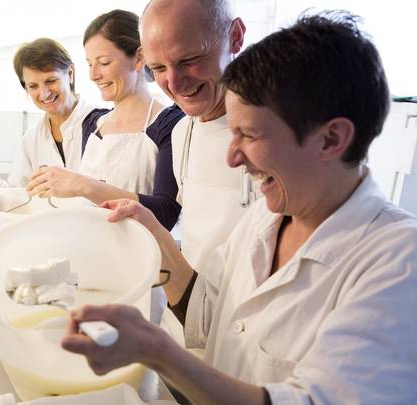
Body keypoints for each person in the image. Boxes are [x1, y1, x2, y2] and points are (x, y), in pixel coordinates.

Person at [62, 11, 417, 404]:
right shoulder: (266, 218)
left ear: (331, 139)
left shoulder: (398, 262)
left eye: (247, 135)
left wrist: (156, 351)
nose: (232, 158)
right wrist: (152, 232)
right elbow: (209, 314)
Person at [26, 10, 184, 230]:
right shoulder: (92, 124)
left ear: (139, 58)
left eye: (104, 62)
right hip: (91, 250)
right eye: (90, 64)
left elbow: (166, 213)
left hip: (141, 258)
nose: (93, 74)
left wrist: (82, 184)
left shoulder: (169, 123)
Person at [139, 0, 254, 270]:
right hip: (196, 306)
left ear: (234, 37)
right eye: (158, 69)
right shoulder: (181, 133)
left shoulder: (284, 135)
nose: (174, 83)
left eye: (189, 60)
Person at [0, 38, 95, 190]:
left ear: (70, 73)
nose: (44, 94)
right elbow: (15, 195)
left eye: (51, 81)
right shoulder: (32, 138)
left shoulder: (100, 124)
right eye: (33, 86)